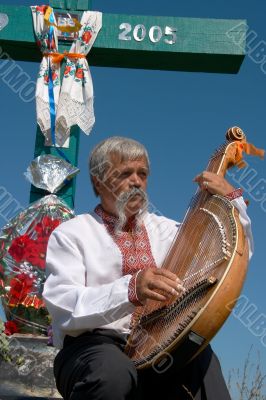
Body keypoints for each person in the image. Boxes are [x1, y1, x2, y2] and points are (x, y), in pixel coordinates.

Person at [43, 136, 253, 400]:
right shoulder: (73, 233)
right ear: (98, 181)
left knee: (203, 359)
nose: (136, 181)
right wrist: (131, 289)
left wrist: (231, 198)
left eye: (142, 173)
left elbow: (226, 253)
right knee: (113, 372)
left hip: (161, 346)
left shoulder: (170, 232)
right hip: (91, 347)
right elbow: (62, 304)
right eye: (124, 173)